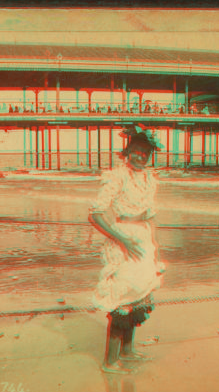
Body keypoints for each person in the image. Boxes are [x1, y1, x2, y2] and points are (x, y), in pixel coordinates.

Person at [88, 125, 165, 374]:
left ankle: (128, 351)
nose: (141, 156)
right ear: (128, 150)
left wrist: (155, 248)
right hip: (124, 239)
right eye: (137, 151)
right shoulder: (117, 176)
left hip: (143, 239)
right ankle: (110, 362)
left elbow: (150, 217)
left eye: (146, 152)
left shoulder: (149, 179)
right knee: (122, 297)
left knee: (139, 294)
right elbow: (95, 214)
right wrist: (121, 239)